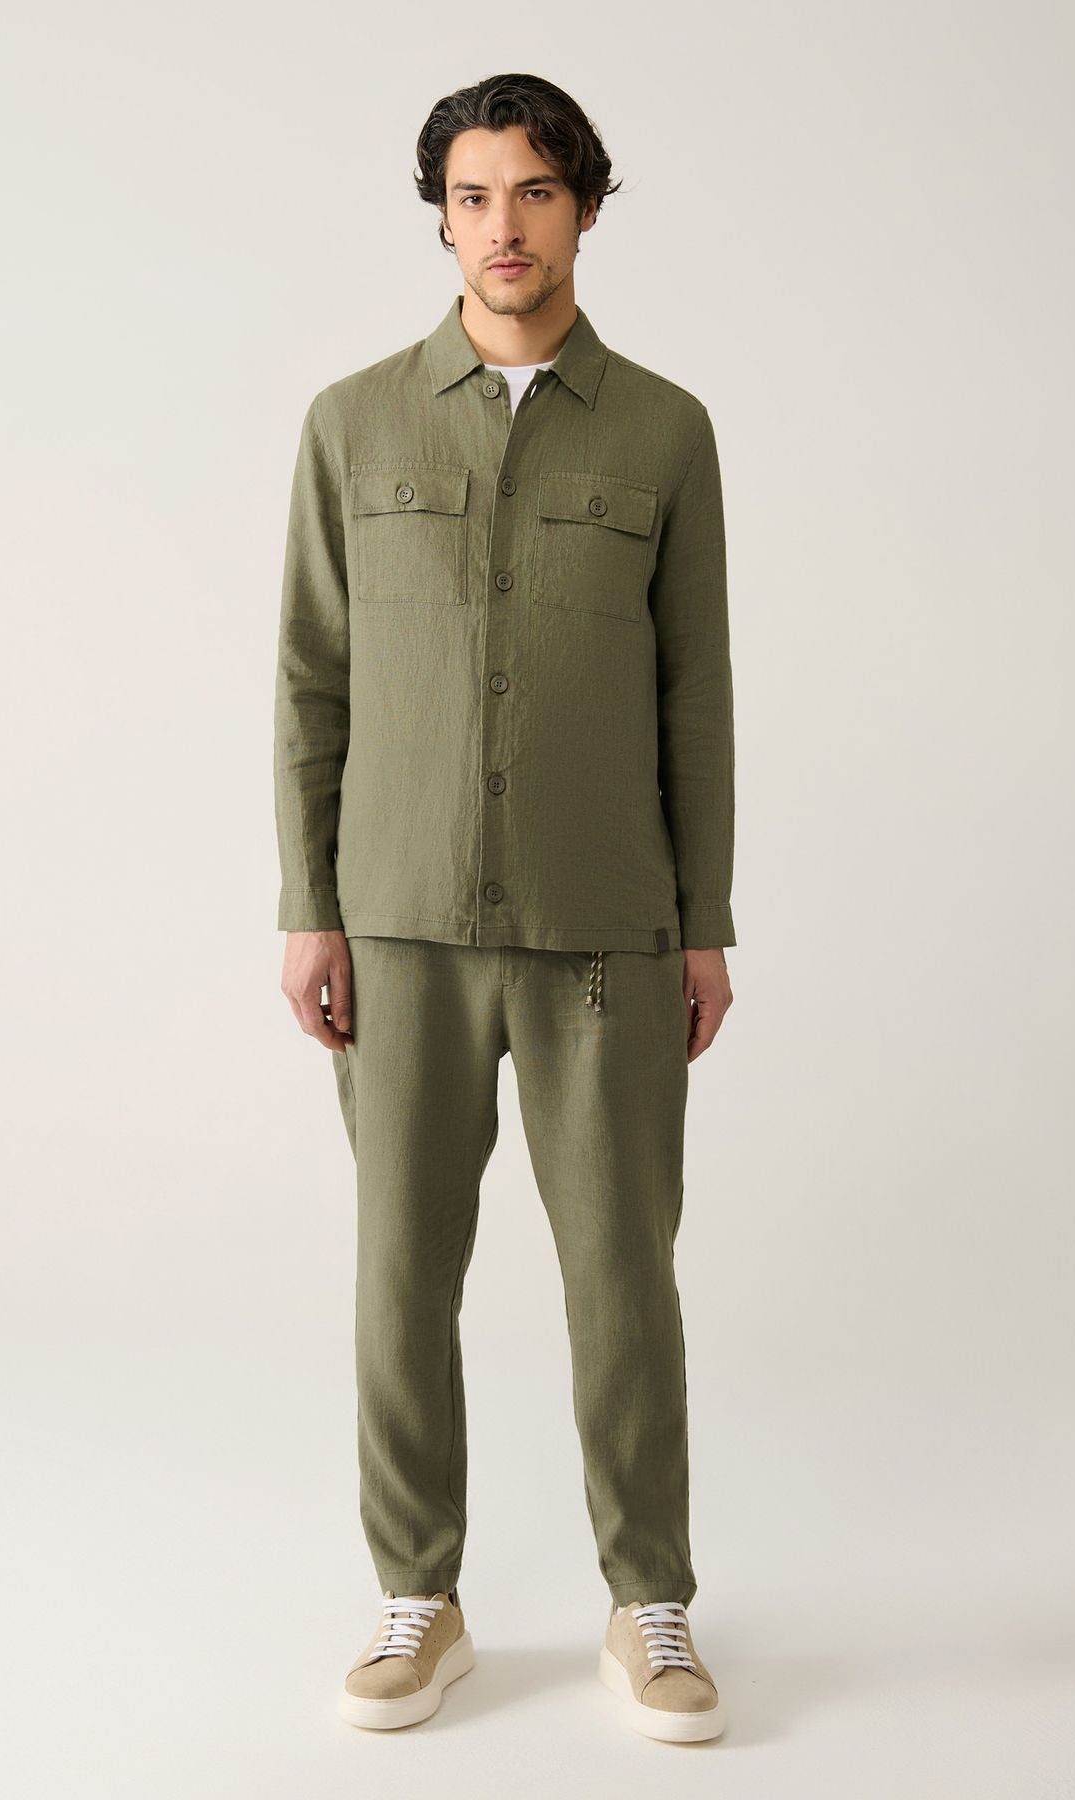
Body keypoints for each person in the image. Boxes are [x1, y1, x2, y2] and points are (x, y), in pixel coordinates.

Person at [273, 71, 736, 1742]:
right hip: (395, 920)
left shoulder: (665, 430)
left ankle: (650, 1600)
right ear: (443, 219)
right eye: (474, 196)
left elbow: (695, 693)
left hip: (606, 925)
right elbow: (311, 680)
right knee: (401, 1275)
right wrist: (308, 906)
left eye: (535, 192)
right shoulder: (353, 423)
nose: (504, 226)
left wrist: (705, 920)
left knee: (625, 1277)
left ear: (585, 209)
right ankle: (422, 1591)